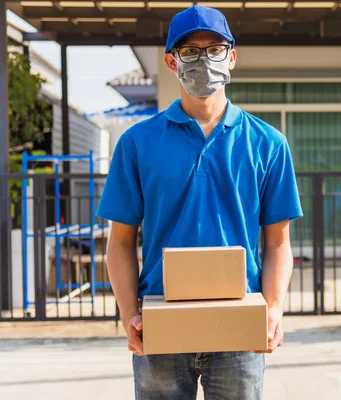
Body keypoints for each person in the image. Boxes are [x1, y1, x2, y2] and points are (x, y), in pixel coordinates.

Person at [96, 5, 303, 399]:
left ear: (232, 57)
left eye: (215, 49)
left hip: (240, 325)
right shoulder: (137, 144)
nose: (203, 61)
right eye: (190, 52)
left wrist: (273, 309)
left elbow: (278, 243)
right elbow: (120, 243)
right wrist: (130, 315)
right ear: (172, 62)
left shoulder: (268, 144)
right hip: (160, 322)